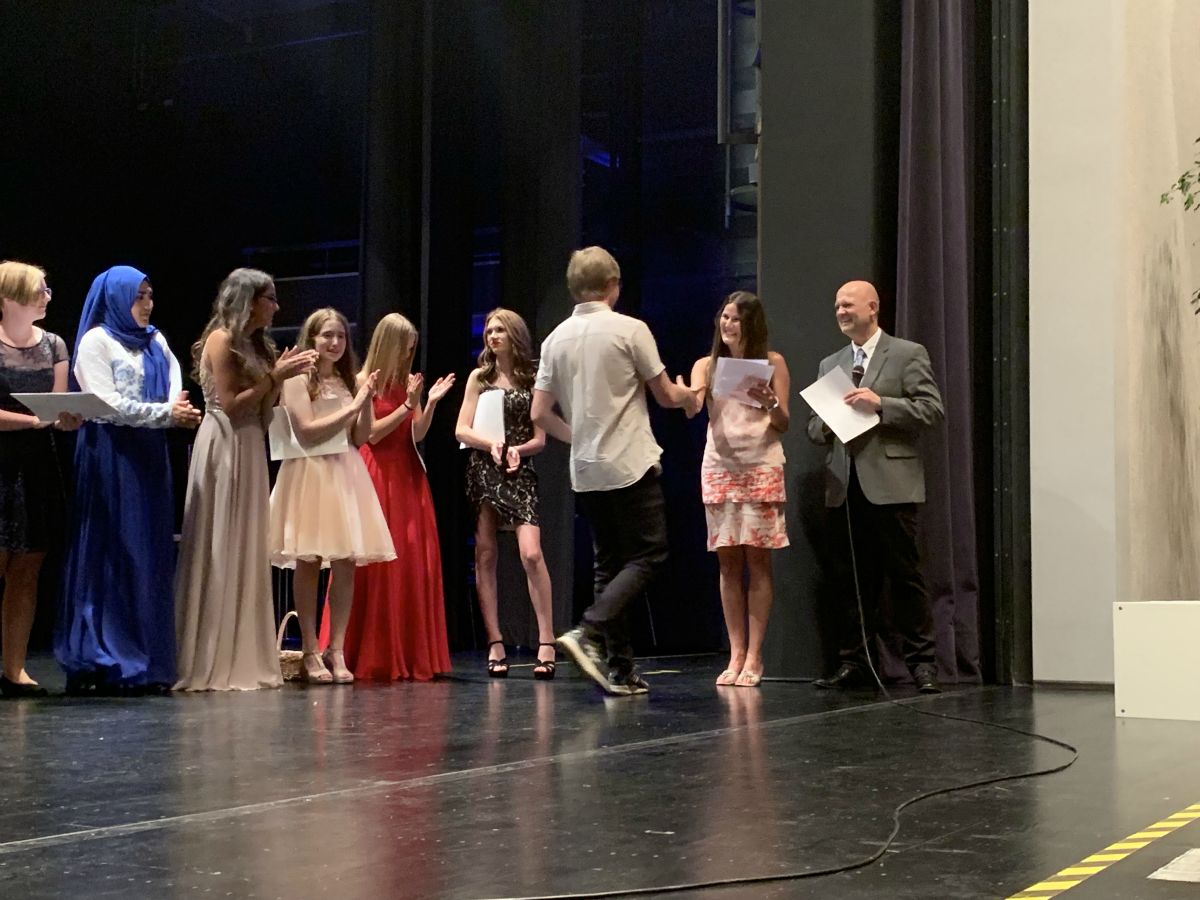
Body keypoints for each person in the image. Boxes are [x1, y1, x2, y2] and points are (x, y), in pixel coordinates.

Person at [532, 246, 701, 696]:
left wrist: (580, 437)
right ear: (613, 285)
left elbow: (540, 413)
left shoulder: (554, 340)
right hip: (628, 461)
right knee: (650, 554)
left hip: (586, 469)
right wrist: (690, 396)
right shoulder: (630, 329)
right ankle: (589, 630)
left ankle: (620, 668)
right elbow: (665, 396)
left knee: (609, 564)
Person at [55, 266, 201, 694]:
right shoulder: (96, 342)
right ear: (117, 298)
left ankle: (148, 659)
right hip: (110, 454)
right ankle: (106, 659)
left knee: (147, 552)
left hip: (149, 457)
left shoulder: (156, 340)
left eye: (150, 295)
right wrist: (166, 414)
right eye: (138, 296)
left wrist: (174, 410)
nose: (147, 304)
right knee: (112, 550)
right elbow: (106, 404)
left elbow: (174, 389)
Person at [174, 268, 317, 691]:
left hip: (252, 444)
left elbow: (263, 408)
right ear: (249, 301)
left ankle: (243, 651)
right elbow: (232, 405)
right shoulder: (221, 340)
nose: (276, 306)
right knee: (221, 542)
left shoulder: (258, 345)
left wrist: (280, 379)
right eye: (269, 298)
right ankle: (211, 655)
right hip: (223, 443)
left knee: (246, 543)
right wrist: (275, 377)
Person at [806, 280, 944, 693]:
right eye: (837, 306)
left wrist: (881, 404)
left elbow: (931, 410)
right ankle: (855, 662)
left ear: (873, 307)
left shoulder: (907, 354)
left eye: (848, 304)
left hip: (892, 485)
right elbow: (813, 429)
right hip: (844, 486)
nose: (841, 311)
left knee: (905, 577)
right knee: (852, 581)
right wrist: (828, 421)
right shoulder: (830, 363)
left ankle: (922, 663)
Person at [268, 307, 395, 685]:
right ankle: (309, 649)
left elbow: (361, 437)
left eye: (340, 336)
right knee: (308, 559)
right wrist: (353, 406)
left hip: (344, 471)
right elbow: (306, 431)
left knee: (345, 561)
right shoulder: (297, 379)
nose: (334, 342)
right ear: (312, 338)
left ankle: (334, 648)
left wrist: (365, 400)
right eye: (327, 335)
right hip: (309, 472)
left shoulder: (347, 381)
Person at [336, 313, 454, 681]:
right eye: (405, 346)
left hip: (408, 477)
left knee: (411, 561)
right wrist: (406, 406)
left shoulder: (407, 383)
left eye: (412, 348)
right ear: (389, 344)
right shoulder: (363, 382)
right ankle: (369, 652)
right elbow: (372, 435)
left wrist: (428, 403)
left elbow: (415, 434)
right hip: (378, 476)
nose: (408, 353)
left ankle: (408, 651)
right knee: (376, 565)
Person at [687, 291, 790, 688]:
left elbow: (783, 422)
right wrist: (685, 396)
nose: (728, 325)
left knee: (758, 561)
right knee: (728, 563)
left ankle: (754, 656)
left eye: (736, 319)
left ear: (752, 324)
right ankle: (735, 652)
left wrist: (771, 403)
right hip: (720, 468)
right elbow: (694, 405)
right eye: (725, 317)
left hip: (761, 466)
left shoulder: (773, 361)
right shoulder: (706, 365)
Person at [455, 308, 556, 679]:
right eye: (489, 330)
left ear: (515, 335)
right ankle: (495, 642)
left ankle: (547, 640)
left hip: (519, 470)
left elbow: (540, 439)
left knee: (531, 553)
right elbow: (461, 429)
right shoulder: (479, 378)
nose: (493, 335)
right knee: (485, 554)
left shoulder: (533, 378)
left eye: (500, 330)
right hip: (484, 470)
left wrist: (516, 450)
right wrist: (492, 445)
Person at [0, 261, 82, 697]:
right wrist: (34, 422)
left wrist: (68, 419)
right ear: (9, 296)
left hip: (37, 465)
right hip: (1, 461)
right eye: (39, 289)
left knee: (27, 569)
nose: (47, 296)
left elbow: (55, 406)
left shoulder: (54, 344)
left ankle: (14, 670)